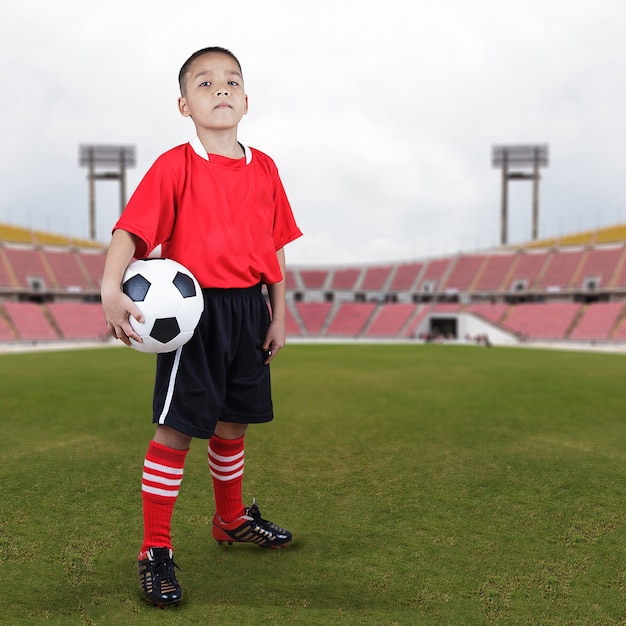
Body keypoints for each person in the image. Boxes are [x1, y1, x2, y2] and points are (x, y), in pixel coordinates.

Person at [101, 46, 303, 608]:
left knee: (234, 425)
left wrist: (279, 313)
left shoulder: (265, 167)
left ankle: (230, 519)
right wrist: (109, 287)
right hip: (192, 315)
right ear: (184, 104)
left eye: (232, 81)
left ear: (246, 99)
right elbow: (131, 231)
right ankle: (154, 550)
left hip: (250, 311)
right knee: (178, 430)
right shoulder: (175, 165)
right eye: (205, 82)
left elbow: (276, 250)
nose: (221, 90)